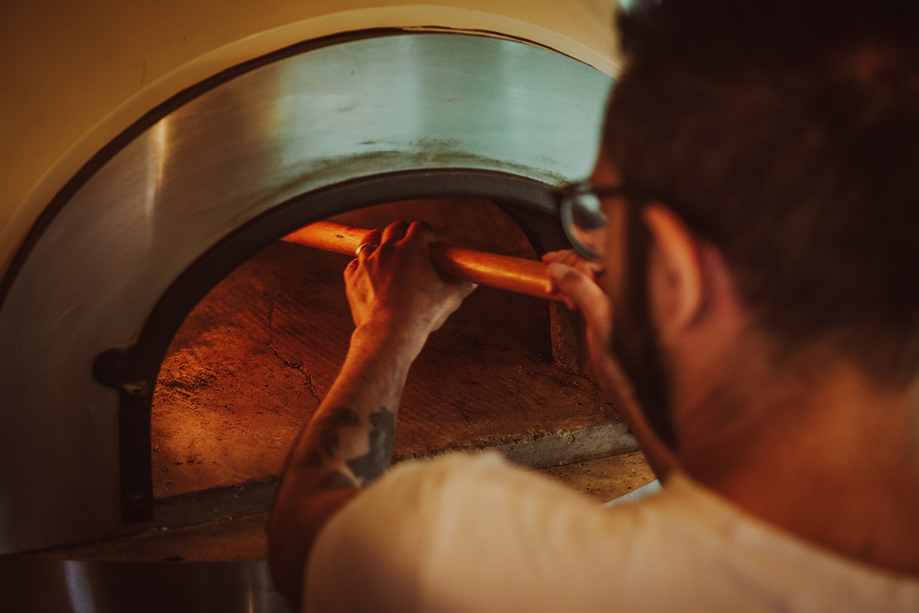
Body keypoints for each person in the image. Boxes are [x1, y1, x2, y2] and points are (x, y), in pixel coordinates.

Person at [268, 0, 919, 610]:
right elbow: (733, 529)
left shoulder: (473, 558)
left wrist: (386, 331)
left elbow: (305, 537)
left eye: (600, 212)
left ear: (677, 267)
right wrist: (635, 390)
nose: (593, 244)